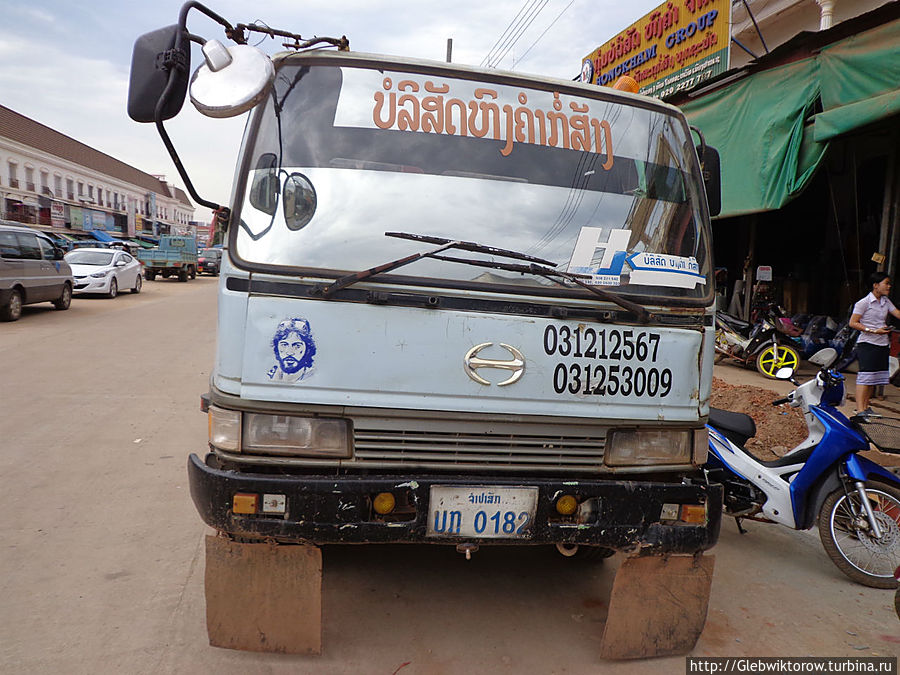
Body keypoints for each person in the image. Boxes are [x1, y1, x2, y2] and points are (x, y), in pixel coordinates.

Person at [849, 272, 900, 416]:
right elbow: (853, 323)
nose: (889, 286)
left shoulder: (886, 301)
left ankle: (866, 408)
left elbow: (897, 313)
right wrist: (872, 330)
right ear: (876, 285)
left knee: (874, 377)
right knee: (865, 377)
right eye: (886, 283)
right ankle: (859, 410)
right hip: (868, 343)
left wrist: (880, 332)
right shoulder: (863, 303)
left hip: (882, 344)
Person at [267, 318, 317, 382]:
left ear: (307, 350)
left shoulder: (313, 378)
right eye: (284, 345)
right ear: (277, 347)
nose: (290, 352)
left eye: (297, 346)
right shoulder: (271, 375)